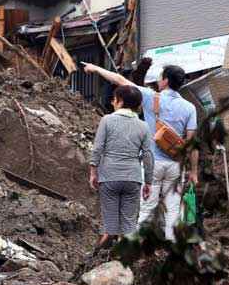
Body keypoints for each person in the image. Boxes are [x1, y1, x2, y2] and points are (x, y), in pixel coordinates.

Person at [84, 63, 198, 242]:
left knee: (147, 208)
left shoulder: (151, 97)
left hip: (153, 164)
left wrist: (96, 69)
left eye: (160, 77)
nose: (158, 80)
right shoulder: (189, 108)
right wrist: (193, 171)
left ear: (166, 81)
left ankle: (139, 249)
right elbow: (192, 143)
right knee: (174, 208)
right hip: (176, 164)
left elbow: (120, 81)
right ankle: (171, 248)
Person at [89, 85, 154, 249]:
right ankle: (127, 261)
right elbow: (147, 156)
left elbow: (97, 148)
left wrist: (93, 172)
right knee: (128, 225)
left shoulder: (107, 120)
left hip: (109, 177)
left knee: (110, 224)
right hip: (133, 178)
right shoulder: (143, 126)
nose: (113, 102)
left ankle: (100, 255)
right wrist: (148, 182)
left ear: (120, 101)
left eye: (115, 99)